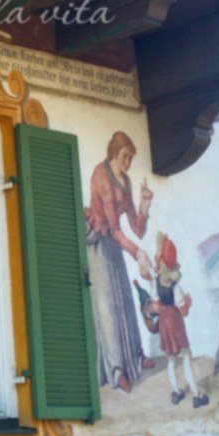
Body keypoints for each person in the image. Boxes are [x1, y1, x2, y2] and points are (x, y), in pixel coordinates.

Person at [85, 130, 154, 392]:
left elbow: (137, 228)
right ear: (114, 154)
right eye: (125, 157)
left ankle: (136, 356)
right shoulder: (101, 176)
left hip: (116, 243)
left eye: (131, 159)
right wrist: (138, 254)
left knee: (125, 299)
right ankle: (116, 371)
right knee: (108, 308)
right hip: (100, 244)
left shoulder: (125, 181)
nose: (128, 163)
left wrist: (145, 205)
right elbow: (114, 229)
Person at [147, 232, 208, 409]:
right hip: (174, 322)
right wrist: (187, 303)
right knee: (186, 357)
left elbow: (156, 305)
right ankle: (196, 395)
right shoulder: (175, 287)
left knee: (171, 360)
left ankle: (176, 392)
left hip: (165, 323)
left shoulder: (155, 283)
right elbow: (183, 311)